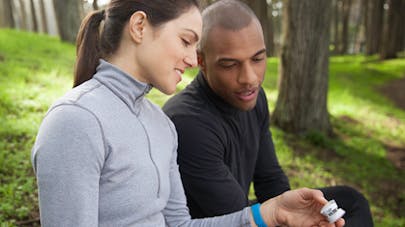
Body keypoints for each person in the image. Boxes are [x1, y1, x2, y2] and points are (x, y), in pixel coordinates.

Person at [31, 0, 345, 226]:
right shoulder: (75, 121)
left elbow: (179, 225)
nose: (193, 60)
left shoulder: (160, 126)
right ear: (139, 27)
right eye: (185, 41)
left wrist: (269, 214)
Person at [163, 0, 373, 226]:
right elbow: (239, 215)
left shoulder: (253, 97)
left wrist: (296, 214)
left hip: (244, 210)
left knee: (351, 201)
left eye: (257, 59)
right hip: (227, 220)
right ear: (201, 61)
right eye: (230, 64)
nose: (250, 79)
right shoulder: (187, 123)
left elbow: (270, 180)